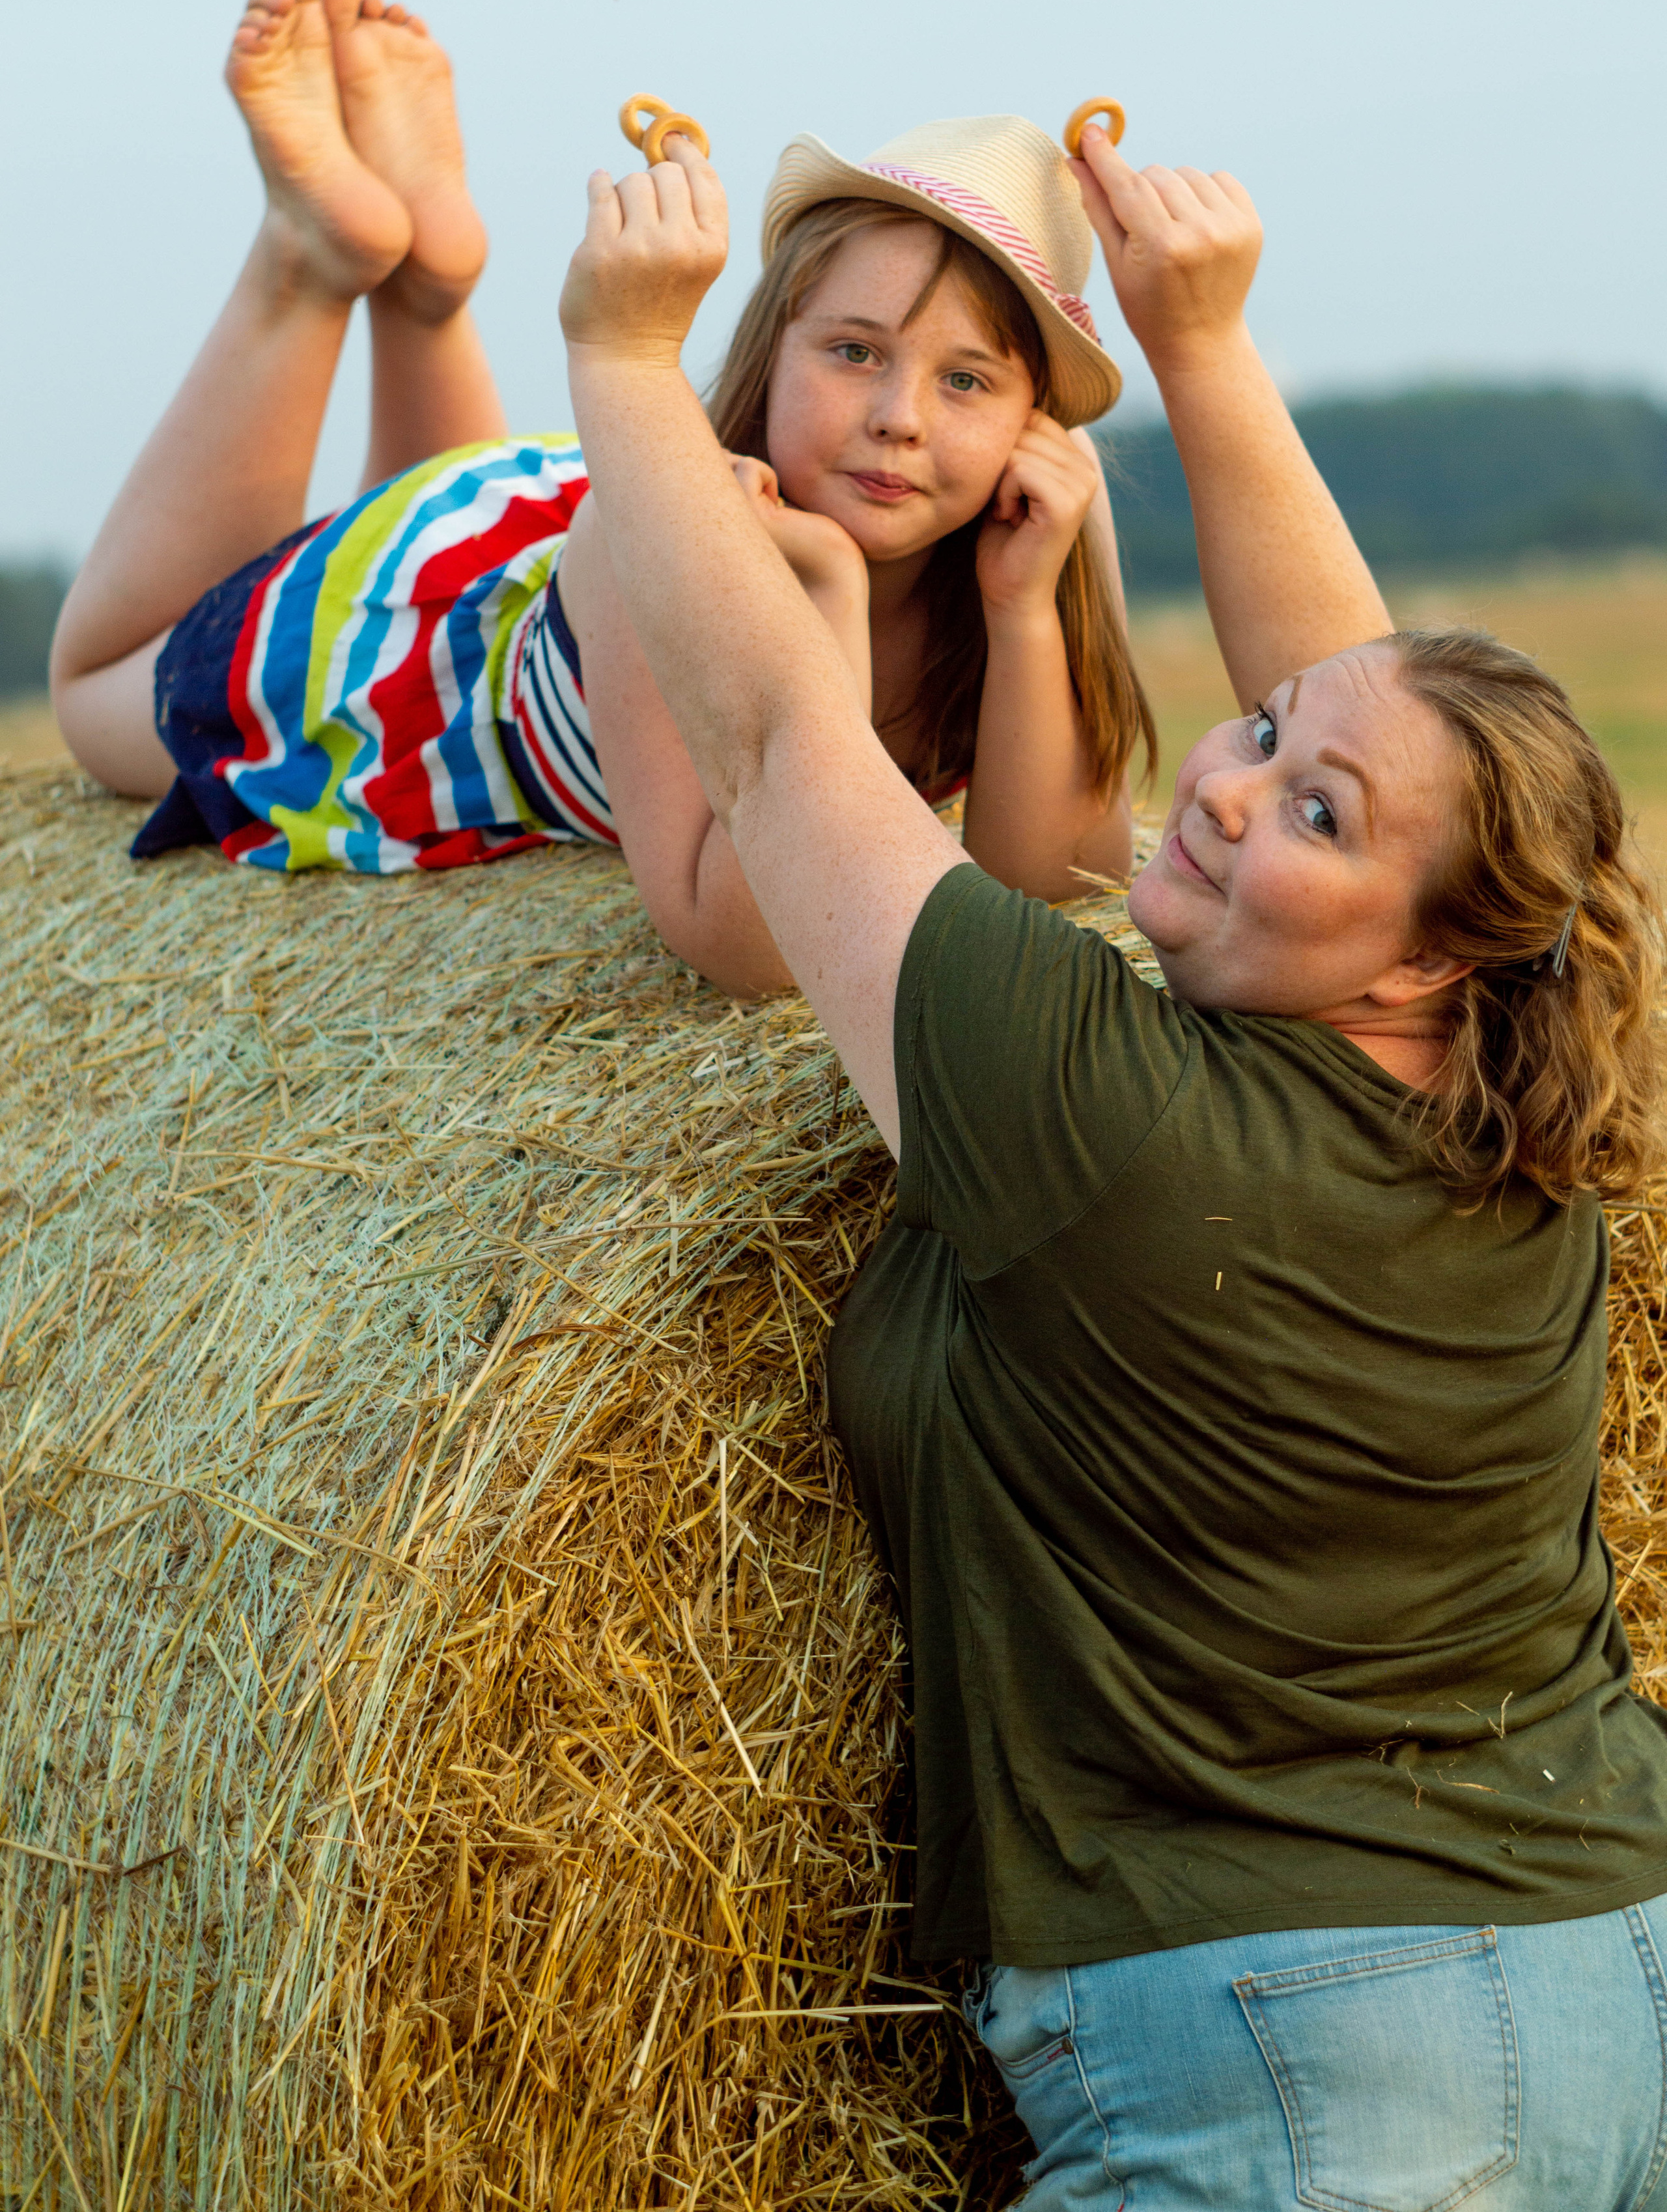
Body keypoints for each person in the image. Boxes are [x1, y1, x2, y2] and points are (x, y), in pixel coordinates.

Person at [555, 122, 1667, 2202]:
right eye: (1252, 738)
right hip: (1622, 1981)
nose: (1234, 790)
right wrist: (1207, 348)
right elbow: (1407, 734)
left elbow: (792, 753)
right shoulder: (1524, 1126)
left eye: (1313, 817)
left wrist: (625, 360)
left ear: (1428, 953)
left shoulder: (1107, 1116)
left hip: (1322, 2080)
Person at [50, 0, 1170, 996]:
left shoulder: (1039, 533)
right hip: (415, 648)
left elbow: (1057, 887)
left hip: (538, 541)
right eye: (854, 350)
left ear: (1037, 418)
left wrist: (1026, 615)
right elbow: (750, 941)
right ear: (769, 353)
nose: (898, 419)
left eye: (968, 381)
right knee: (91, 691)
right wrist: (823, 584)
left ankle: (427, 294)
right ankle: (305, 261)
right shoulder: (660, 553)